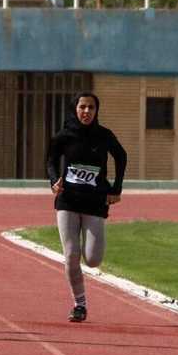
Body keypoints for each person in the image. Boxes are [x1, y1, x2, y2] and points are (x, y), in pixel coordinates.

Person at [46, 92, 127, 322]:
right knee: (71, 255)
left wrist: (116, 189)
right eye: (82, 107)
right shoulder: (65, 135)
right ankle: (79, 304)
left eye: (91, 108)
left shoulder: (104, 135)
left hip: (94, 201)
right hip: (68, 200)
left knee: (92, 260)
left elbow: (121, 156)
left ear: (96, 111)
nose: (86, 112)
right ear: (75, 109)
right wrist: (53, 181)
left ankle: (87, 263)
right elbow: (51, 159)